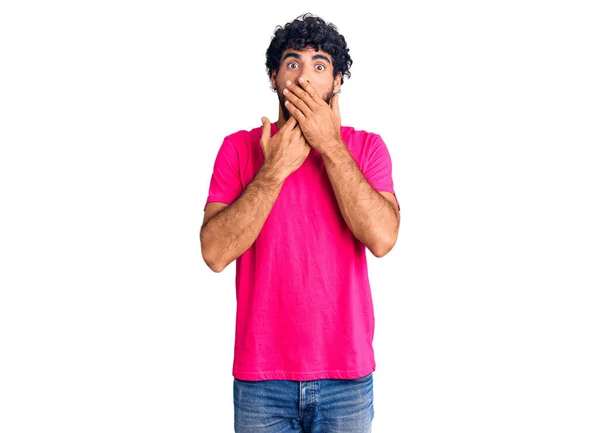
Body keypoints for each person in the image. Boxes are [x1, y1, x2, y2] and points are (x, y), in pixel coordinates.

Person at [200, 12, 400, 433]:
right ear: (274, 77)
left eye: (320, 65)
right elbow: (215, 254)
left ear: (338, 81)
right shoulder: (238, 150)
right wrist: (274, 172)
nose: (305, 78)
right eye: (292, 63)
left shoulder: (366, 148)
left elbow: (383, 238)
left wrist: (329, 145)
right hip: (260, 382)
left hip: (345, 379)